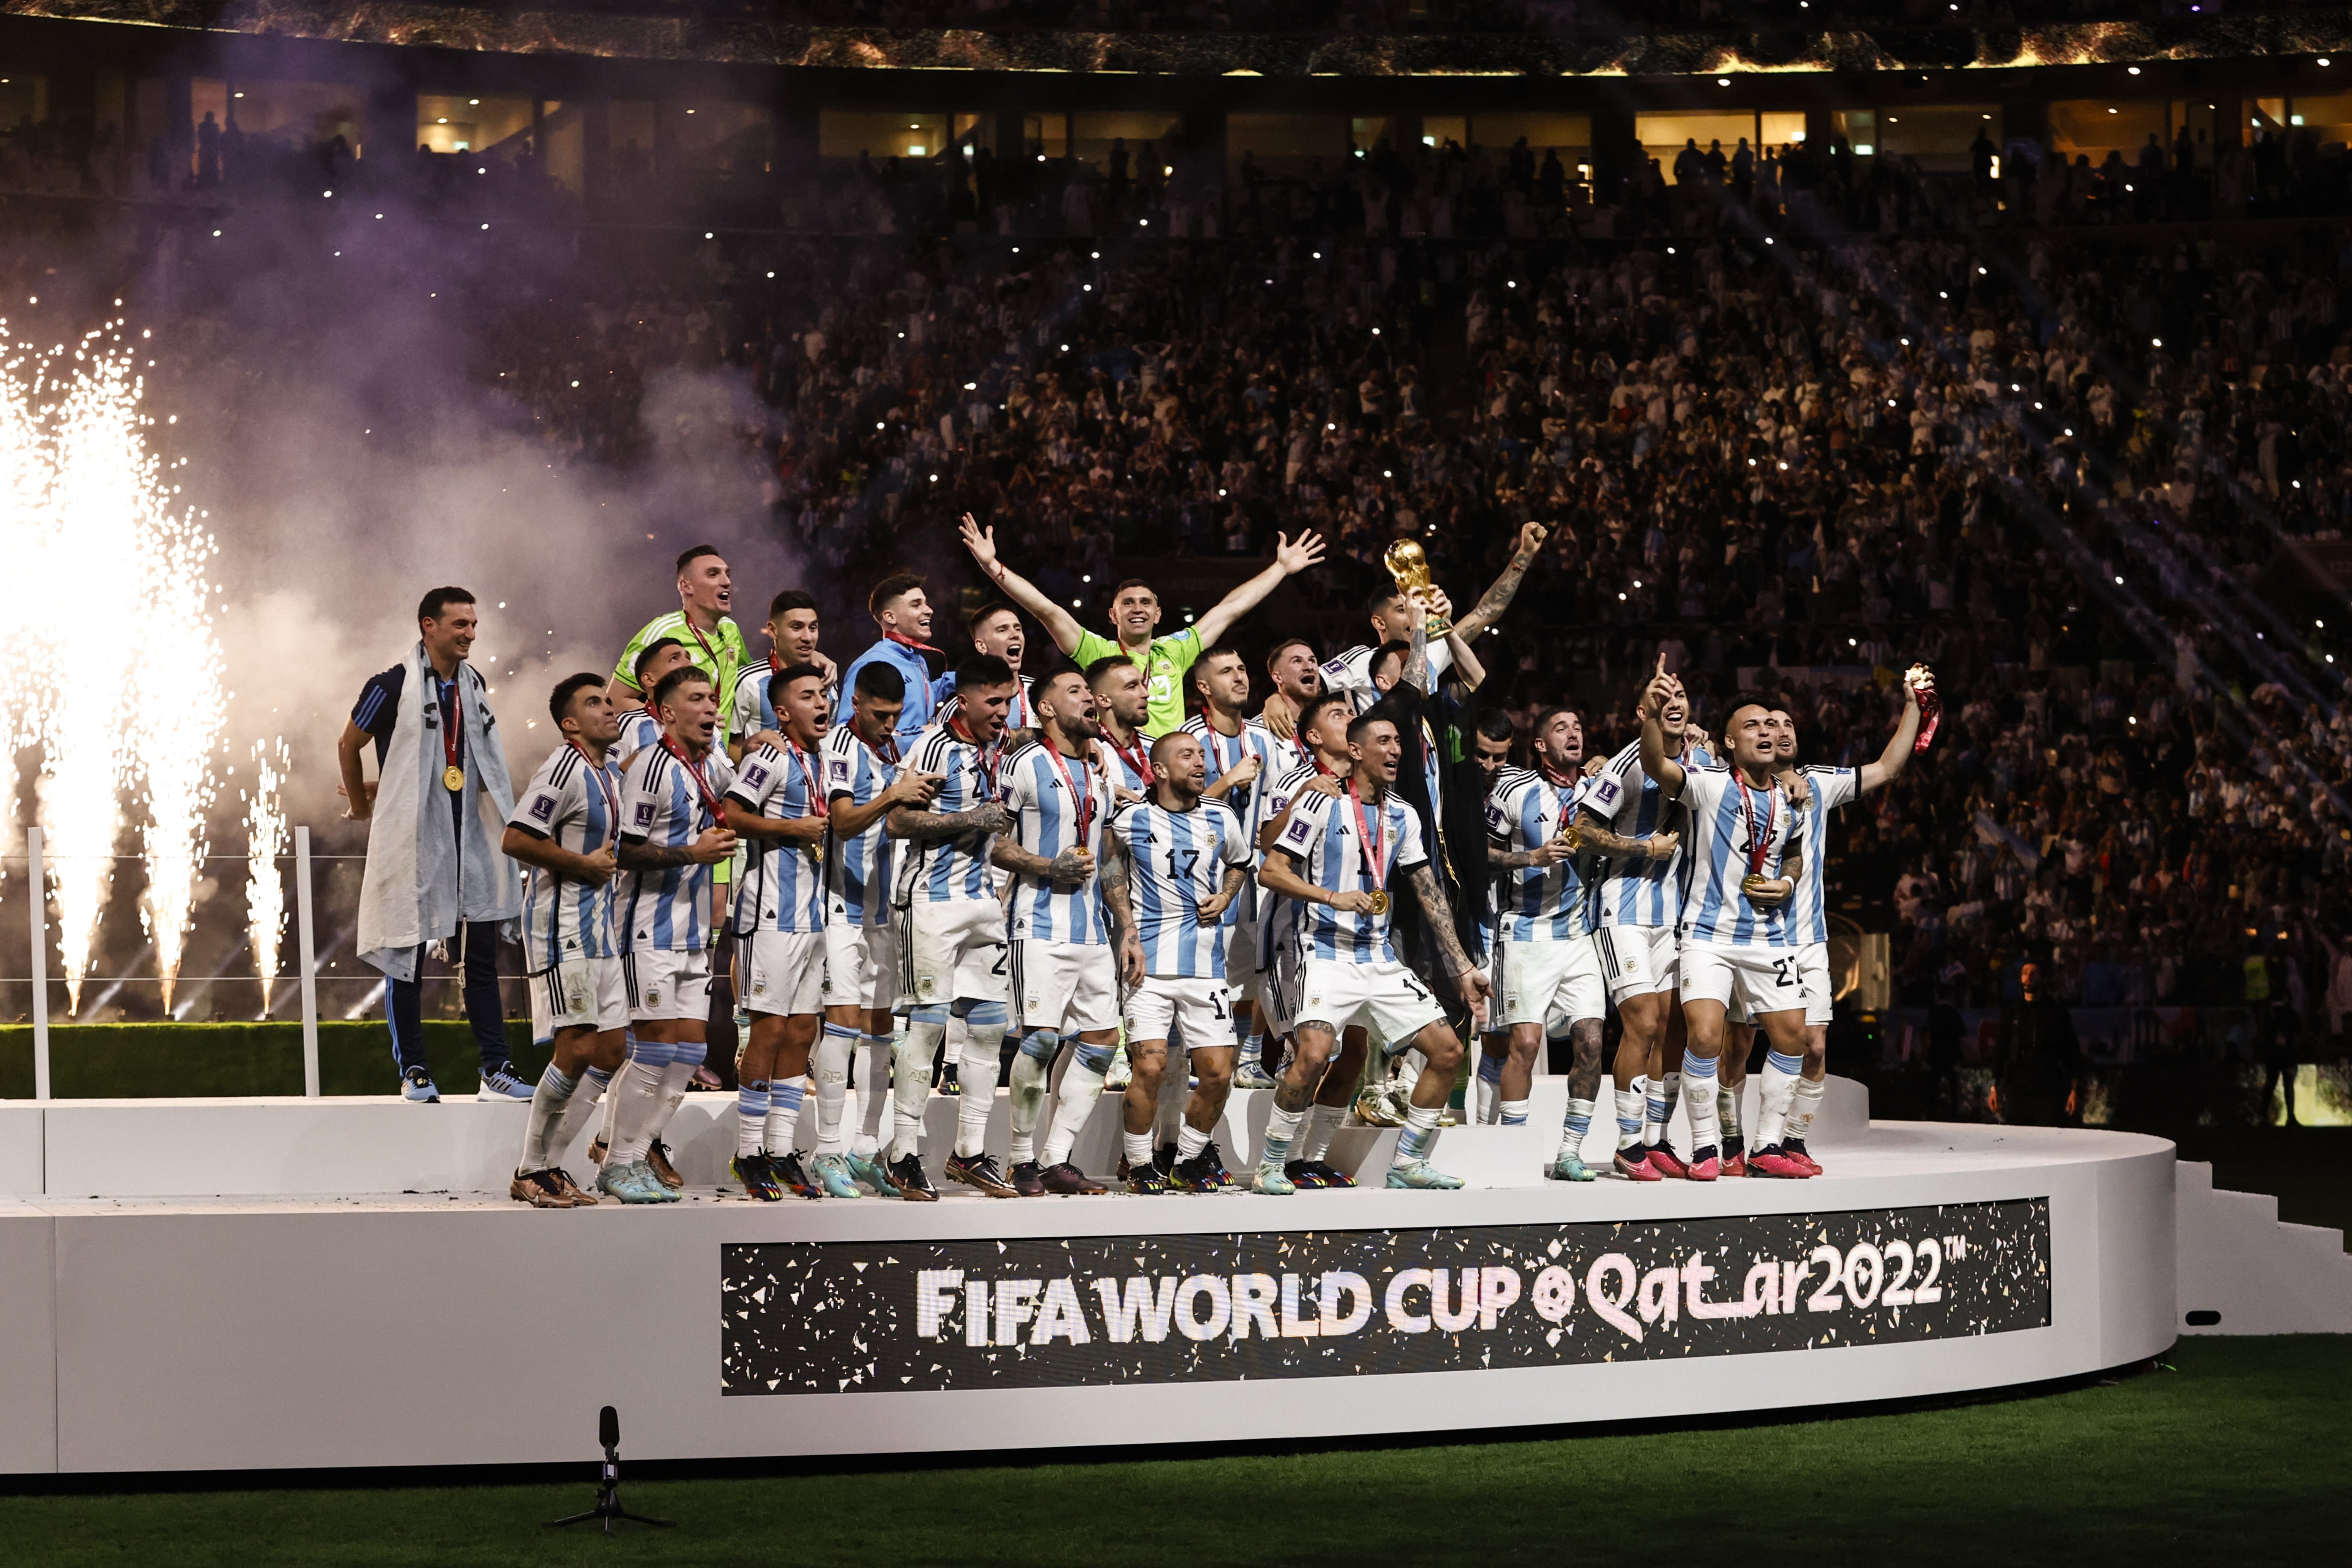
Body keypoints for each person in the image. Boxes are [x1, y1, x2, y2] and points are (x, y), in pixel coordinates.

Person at [1253, 698, 1489, 1192]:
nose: (1395, 749)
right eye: (1383, 741)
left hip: (1380, 958)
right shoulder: (1320, 802)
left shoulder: (1403, 814)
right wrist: (1330, 895)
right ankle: (1272, 1165)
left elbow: (1428, 889)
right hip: (1324, 953)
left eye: (1399, 742)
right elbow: (1272, 870)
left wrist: (1463, 966)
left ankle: (1406, 1163)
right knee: (1314, 1055)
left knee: (1447, 1051)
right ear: (1355, 751)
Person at [341, 586, 531, 1105]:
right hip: (416, 838)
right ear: (429, 625)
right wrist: (362, 805)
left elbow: (465, 762)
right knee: (407, 952)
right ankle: (414, 1070)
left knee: (484, 954)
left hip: (471, 833)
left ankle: (496, 1068)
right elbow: (348, 744)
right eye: (459, 625)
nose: (470, 634)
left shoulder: (474, 683)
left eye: (473, 624)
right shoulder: (391, 684)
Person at [1746, 675, 1927, 1173]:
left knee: (1815, 1045)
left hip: (1808, 940)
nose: (1780, 731)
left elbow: (1889, 767)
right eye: (1769, 724)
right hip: (1746, 937)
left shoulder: (1820, 782)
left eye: (1787, 724)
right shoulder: (1735, 783)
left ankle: (1791, 1142)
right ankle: (1728, 1142)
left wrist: (1911, 706)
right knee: (1734, 1048)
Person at [1636, 671, 1807, 1183]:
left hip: (1764, 936)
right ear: (1730, 741)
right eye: (1749, 725)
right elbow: (1656, 764)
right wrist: (1650, 712)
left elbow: (1793, 854)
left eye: (1767, 725)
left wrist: (1788, 883)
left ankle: (1765, 1145)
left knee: (1793, 1037)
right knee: (1707, 1037)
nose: (1762, 731)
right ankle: (1706, 1146)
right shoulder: (1709, 785)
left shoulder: (1789, 798)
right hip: (1707, 936)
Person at [959, 510, 1328, 735]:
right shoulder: (1098, 653)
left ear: (1157, 614)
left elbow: (1230, 608)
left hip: (1174, 761)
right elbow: (1047, 610)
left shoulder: (1176, 648)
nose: (1137, 608)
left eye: (1145, 602)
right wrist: (994, 568)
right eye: (1128, 602)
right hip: (1119, 763)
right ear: (1113, 614)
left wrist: (1279, 568)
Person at [882, 652, 1020, 1200]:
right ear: (962, 700)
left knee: (988, 1026)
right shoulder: (933, 747)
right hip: (930, 903)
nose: (1003, 711)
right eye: (993, 701)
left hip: (981, 902)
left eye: (1007, 701)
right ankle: (902, 1156)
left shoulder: (999, 745)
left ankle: (967, 1155)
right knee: (928, 1026)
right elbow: (897, 819)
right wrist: (969, 819)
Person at [599, 666, 739, 1203]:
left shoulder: (711, 763)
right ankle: (619, 1162)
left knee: (689, 1052)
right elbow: (626, 851)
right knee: (655, 1051)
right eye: (696, 700)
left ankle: (630, 1154)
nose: (709, 708)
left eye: (712, 699)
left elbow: (747, 799)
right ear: (666, 712)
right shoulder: (651, 769)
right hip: (647, 928)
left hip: (693, 932)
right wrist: (693, 854)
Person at [986, 665, 1124, 1196]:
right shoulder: (1023, 762)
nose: (1090, 698)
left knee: (1102, 1041)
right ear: (1045, 708)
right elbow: (993, 842)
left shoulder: (1097, 767)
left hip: (1092, 930)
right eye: (1075, 692)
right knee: (1041, 1039)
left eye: (1090, 692)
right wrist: (1048, 867)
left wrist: (1126, 926)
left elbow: (1107, 851)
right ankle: (1020, 1159)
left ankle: (1056, 1158)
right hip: (1036, 923)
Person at [500, 673, 628, 1206]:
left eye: (608, 699)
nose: (609, 708)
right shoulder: (562, 768)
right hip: (562, 927)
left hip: (600, 929)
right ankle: (532, 1168)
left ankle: (553, 1164)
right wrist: (580, 864)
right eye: (594, 703)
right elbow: (515, 837)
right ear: (570, 722)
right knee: (575, 1046)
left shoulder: (609, 772)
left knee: (614, 1047)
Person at [1105, 730, 1252, 1193]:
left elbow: (1240, 863)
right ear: (1161, 770)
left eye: (1201, 756)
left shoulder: (1222, 816)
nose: (1199, 763)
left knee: (1218, 1073)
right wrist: (1127, 927)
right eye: (1186, 755)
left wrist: (1226, 895)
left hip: (1205, 966)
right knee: (1149, 1068)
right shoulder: (1131, 819)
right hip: (1146, 966)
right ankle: (1138, 1163)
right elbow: (1110, 868)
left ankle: (1187, 1160)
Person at [819, 661, 942, 1197]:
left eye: (896, 716)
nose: (891, 726)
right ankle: (826, 1150)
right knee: (843, 1025)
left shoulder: (890, 753)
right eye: (881, 715)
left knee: (878, 1033)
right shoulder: (839, 747)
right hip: (840, 908)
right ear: (857, 704)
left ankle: (865, 1147)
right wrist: (894, 796)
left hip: (884, 913)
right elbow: (841, 821)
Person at [720, 662, 836, 1200]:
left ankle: (781, 1148)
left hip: (813, 916)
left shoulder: (825, 758)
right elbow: (732, 813)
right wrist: (793, 827)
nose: (821, 703)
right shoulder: (769, 755)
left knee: (801, 1033)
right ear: (783, 711)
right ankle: (747, 1154)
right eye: (808, 696)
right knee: (767, 1031)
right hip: (768, 912)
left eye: (824, 694)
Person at [1577, 659, 1695, 1180]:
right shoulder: (1622, 764)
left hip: (1672, 912)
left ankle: (1656, 1137)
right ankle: (1627, 1145)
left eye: (1681, 694)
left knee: (1672, 1028)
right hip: (1621, 907)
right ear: (1643, 710)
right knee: (1642, 1021)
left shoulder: (1701, 759)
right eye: (1661, 696)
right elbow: (1582, 829)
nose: (1674, 702)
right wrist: (1642, 846)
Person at [1486, 706, 1610, 1181]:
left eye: (1579, 726)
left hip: (1578, 936)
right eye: (1561, 728)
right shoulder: (1513, 790)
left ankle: (1570, 1152)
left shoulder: (1599, 786)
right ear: (1540, 745)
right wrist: (1531, 856)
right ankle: (1517, 1150)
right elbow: (1480, 852)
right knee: (1525, 1044)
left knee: (1592, 1042)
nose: (1574, 733)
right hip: (1524, 933)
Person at [1248, 690, 1366, 1187]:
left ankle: (1310, 1157)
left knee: (1355, 1051)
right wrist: (1305, 797)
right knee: (1307, 1051)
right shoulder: (1296, 779)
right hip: (1290, 940)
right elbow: (1265, 841)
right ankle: (1279, 1160)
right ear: (1314, 736)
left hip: (1352, 943)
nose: (1352, 720)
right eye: (1339, 715)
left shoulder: (1369, 788)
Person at [1179, 646, 1280, 1095]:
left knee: (1246, 973)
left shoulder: (1263, 739)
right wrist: (1224, 783)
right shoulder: (1187, 737)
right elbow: (1171, 808)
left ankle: (1247, 1059)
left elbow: (1276, 802)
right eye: (1226, 671)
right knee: (1203, 972)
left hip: (1250, 873)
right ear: (1204, 686)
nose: (1240, 677)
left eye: (1242, 668)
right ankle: (1195, 1063)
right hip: (1197, 873)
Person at [609, 545, 749, 752]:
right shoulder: (661, 633)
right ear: (686, 586)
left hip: (716, 760)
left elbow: (751, 678)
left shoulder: (731, 631)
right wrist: (681, 723)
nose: (726, 581)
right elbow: (616, 701)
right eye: (713, 574)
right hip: (667, 758)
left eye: (727, 574)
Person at [730, 589, 836, 763]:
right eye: (797, 628)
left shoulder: (827, 681)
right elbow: (726, 745)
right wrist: (748, 753)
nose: (807, 637)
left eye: (813, 628)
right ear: (772, 630)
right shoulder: (749, 681)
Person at [838, 573, 945, 744]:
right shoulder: (872, 663)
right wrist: (917, 736)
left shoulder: (918, 660)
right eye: (916, 605)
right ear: (890, 617)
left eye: (925, 603)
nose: (929, 610)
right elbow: (846, 733)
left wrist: (963, 678)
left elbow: (915, 697)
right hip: (886, 769)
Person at [936, 600, 1038, 739]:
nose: (1015, 635)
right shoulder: (960, 708)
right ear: (981, 646)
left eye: (1018, 628)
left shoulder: (1040, 692)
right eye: (1003, 630)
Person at [614, 638, 692, 766]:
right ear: (649, 679)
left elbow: (728, 780)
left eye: (688, 658)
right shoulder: (629, 724)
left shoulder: (704, 726)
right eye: (674, 658)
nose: (689, 664)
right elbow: (608, 779)